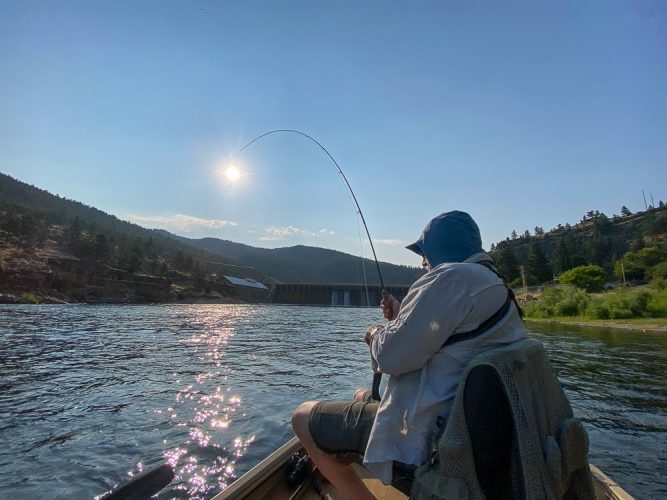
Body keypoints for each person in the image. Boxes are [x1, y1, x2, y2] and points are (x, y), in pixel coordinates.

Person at [291, 210, 527, 497]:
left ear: (440, 248)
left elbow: (390, 359)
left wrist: (376, 333)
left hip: (434, 444)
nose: (423, 262)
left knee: (302, 417)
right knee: (358, 395)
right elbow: (453, 337)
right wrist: (404, 315)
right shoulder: (493, 284)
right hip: (471, 427)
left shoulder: (450, 277)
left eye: (424, 253)